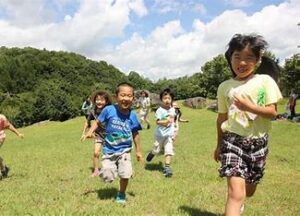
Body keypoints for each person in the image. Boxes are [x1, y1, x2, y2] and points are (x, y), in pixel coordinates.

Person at [214, 34, 282, 216]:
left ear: (258, 60)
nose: (242, 63)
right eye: (237, 57)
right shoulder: (224, 87)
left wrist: (250, 107)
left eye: (248, 58)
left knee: (248, 191)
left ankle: (240, 203)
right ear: (230, 58)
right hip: (233, 141)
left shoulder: (265, 81)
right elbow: (221, 118)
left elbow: (272, 112)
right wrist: (219, 144)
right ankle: (236, 204)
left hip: (258, 143)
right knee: (235, 193)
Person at [83, 82, 143, 204]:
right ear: (116, 97)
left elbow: (135, 133)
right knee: (108, 176)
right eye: (123, 95)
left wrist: (138, 151)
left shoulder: (133, 116)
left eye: (129, 96)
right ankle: (110, 171)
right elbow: (98, 122)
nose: (126, 98)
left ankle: (121, 194)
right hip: (109, 150)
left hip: (125, 151)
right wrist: (90, 131)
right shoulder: (108, 110)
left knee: (125, 174)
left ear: (133, 98)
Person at [80, 90, 112, 177]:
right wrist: (84, 133)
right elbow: (87, 122)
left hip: (110, 135)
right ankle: (96, 171)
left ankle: (115, 168)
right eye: (97, 99)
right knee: (96, 153)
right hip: (98, 135)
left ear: (106, 101)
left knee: (111, 154)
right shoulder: (92, 110)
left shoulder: (110, 109)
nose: (99, 102)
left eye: (102, 100)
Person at [146, 88, 176, 177]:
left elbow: (172, 119)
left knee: (169, 150)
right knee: (157, 150)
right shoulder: (159, 110)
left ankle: (167, 168)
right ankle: (152, 153)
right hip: (159, 135)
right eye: (165, 98)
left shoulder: (172, 109)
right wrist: (166, 121)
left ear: (171, 100)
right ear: (161, 99)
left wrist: (173, 129)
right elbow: (157, 122)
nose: (167, 100)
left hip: (168, 135)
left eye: (169, 98)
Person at [0, 114, 24, 179]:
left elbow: (9, 126)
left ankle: (4, 170)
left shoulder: (1, 117)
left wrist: (18, 133)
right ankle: (4, 170)